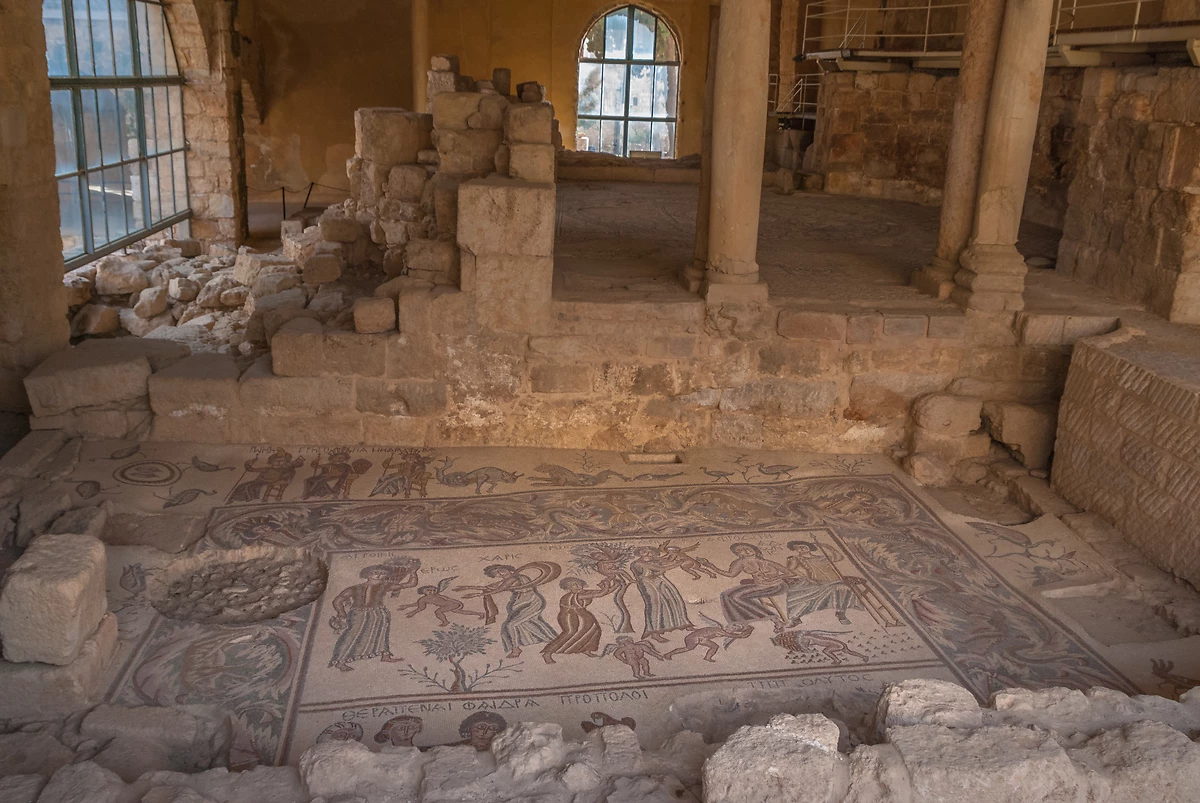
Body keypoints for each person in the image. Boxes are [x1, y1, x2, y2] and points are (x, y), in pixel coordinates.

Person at [328, 559, 419, 671]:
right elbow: (338, 600)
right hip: (359, 613)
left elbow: (410, 584)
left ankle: (385, 656)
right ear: (367, 574)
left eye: (383, 573)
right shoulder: (355, 588)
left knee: (381, 633)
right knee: (352, 635)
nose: (379, 575)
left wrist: (413, 572)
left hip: (379, 613)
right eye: (375, 572)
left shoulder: (385, 586)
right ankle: (340, 661)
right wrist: (341, 613)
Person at [457, 563, 560, 658]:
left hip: (531, 602)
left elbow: (499, 589)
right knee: (530, 623)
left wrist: (478, 594)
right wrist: (467, 587)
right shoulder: (506, 580)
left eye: (501, 570)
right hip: (519, 603)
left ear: (509, 569)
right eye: (496, 573)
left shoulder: (514, 578)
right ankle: (554, 642)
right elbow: (488, 587)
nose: (499, 573)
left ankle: (516, 649)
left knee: (511, 625)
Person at [784, 540, 866, 626]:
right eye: (798, 548)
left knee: (844, 588)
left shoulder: (822, 557)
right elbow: (791, 569)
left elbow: (838, 557)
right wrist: (806, 578)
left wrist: (826, 546)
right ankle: (796, 617)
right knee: (806, 596)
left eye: (803, 546)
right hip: (816, 582)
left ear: (809, 548)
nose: (801, 549)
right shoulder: (797, 558)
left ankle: (840, 612)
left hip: (834, 580)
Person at [712, 543, 798, 624]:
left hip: (777, 586)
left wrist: (776, 578)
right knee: (725, 595)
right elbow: (731, 574)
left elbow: (791, 573)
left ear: (754, 550)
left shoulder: (766, 562)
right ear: (738, 554)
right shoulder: (740, 562)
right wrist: (711, 566)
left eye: (748, 548)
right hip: (759, 586)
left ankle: (774, 619)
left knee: (735, 596)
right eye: (741, 550)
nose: (746, 550)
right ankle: (738, 622)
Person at [629, 546, 693, 642]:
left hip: (661, 581)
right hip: (648, 583)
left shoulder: (653, 560)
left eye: (650, 552)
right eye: (644, 551)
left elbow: (664, 559)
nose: (648, 553)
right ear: (639, 553)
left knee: (675, 600)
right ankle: (654, 632)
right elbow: (663, 567)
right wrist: (679, 562)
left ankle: (683, 624)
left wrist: (674, 555)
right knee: (655, 605)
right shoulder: (638, 563)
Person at [541, 577, 608, 663]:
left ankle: (586, 649)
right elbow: (601, 594)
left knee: (594, 630)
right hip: (569, 615)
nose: (577, 586)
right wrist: (606, 586)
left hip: (583, 614)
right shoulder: (578, 595)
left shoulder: (582, 592)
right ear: (568, 589)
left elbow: (602, 592)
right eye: (573, 585)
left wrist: (613, 585)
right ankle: (547, 653)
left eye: (578, 584)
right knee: (570, 633)